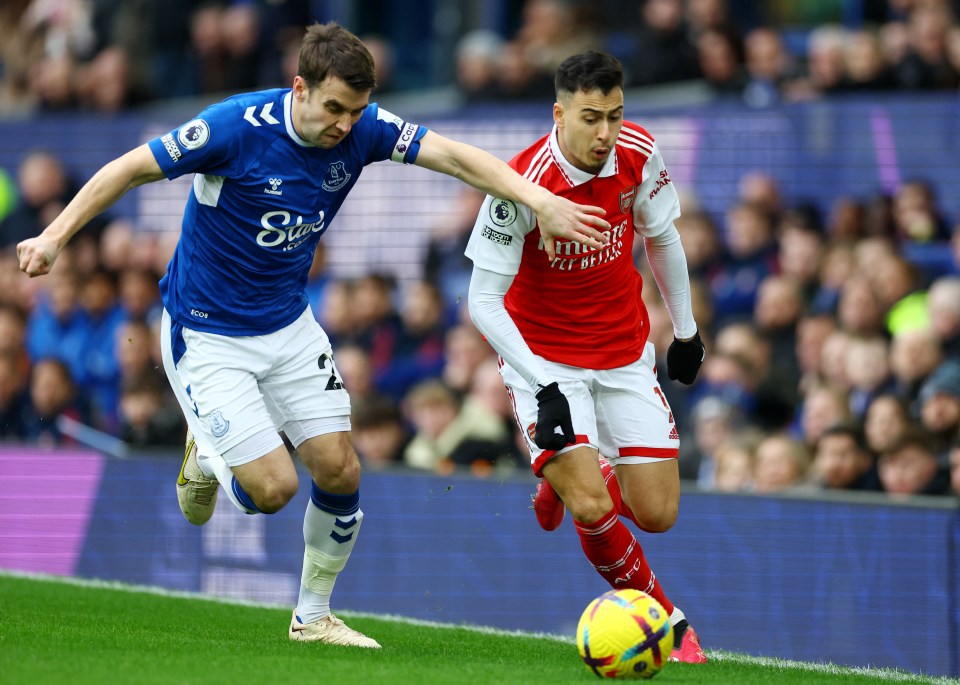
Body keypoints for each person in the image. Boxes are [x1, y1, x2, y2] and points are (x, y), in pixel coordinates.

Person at [16, 22, 611, 649]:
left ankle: (313, 616)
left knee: (341, 470)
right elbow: (129, 169)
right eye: (333, 108)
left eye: (356, 111)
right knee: (273, 489)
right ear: (299, 88)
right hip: (207, 333)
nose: (345, 125)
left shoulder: (363, 130)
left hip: (288, 324)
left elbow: (458, 157)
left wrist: (538, 200)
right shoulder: (234, 128)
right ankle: (206, 455)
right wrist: (55, 235)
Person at [464, 51, 707, 664]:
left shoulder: (638, 153)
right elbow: (483, 302)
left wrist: (686, 331)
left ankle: (566, 483)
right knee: (597, 508)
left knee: (658, 513)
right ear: (560, 112)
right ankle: (669, 626)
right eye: (592, 118)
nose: (606, 134)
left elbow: (664, 237)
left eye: (616, 116)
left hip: (625, 354)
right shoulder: (518, 182)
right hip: (545, 361)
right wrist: (542, 386)